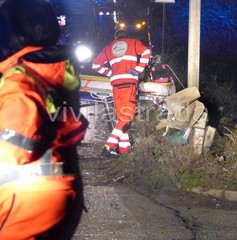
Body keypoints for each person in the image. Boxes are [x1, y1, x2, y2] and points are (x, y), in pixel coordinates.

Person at [0, 0, 89, 239]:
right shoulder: (52, 72)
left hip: (22, 200)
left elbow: (15, 149)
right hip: (59, 193)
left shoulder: (19, 80)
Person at [92, 29, 151, 158]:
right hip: (128, 83)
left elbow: (95, 65)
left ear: (116, 38)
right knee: (126, 118)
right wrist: (138, 70)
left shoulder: (108, 48)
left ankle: (125, 148)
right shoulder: (134, 43)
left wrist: (111, 73)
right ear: (126, 36)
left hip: (116, 84)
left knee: (122, 118)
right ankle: (109, 147)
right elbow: (146, 52)